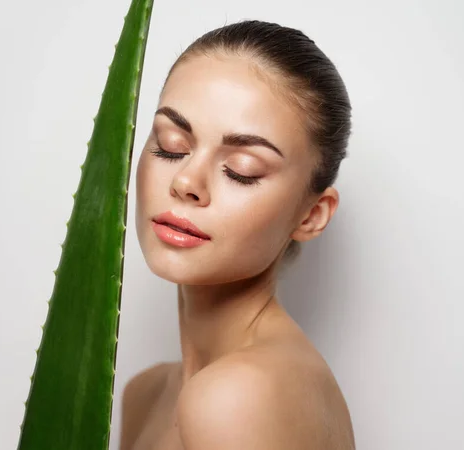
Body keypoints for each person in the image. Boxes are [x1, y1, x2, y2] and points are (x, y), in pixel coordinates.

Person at [120, 19, 355, 450]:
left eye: (241, 170)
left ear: (311, 215)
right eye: (171, 145)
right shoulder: (144, 393)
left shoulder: (238, 396)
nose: (186, 181)